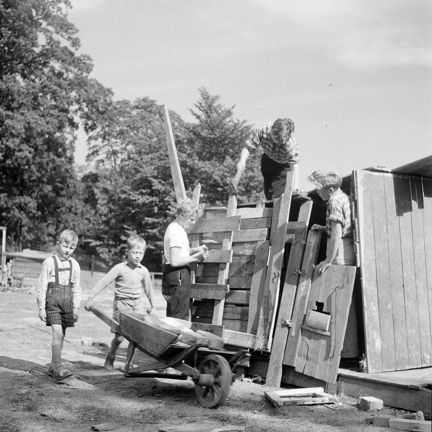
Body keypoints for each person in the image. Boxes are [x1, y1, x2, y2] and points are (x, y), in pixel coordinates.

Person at [85, 235, 154, 371]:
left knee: (135, 338)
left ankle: (128, 365)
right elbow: (104, 282)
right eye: (135, 252)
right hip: (121, 306)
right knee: (120, 338)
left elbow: (148, 289)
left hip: (137, 306)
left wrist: (153, 305)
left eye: (141, 253)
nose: (138, 256)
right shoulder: (119, 268)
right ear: (127, 252)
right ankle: (111, 356)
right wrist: (90, 297)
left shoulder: (143, 271)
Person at [36, 229, 81, 381]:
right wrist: (41, 307)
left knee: (62, 335)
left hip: (67, 304)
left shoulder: (75, 265)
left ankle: (52, 366)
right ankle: (58, 368)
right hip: (53, 304)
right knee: (58, 333)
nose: (68, 250)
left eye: (71, 248)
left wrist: (76, 307)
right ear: (58, 244)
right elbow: (42, 285)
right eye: (65, 246)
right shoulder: (49, 262)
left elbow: (77, 288)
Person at [232, 118, 300, 200]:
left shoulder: (291, 145)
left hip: (282, 167)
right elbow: (248, 147)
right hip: (267, 162)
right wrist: (242, 160)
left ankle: (278, 204)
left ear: (286, 138)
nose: (276, 143)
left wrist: (295, 188)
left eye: (280, 141)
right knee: (269, 195)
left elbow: (294, 166)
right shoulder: (263, 130)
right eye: (275, 139)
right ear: (272, 130)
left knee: (277, 197)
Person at [162, 199, 208, 320]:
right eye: (191, 219)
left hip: (178, 275)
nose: (193, 222)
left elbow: (181, 253)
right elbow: (175, 261)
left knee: (179, 313)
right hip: (178, 275)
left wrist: (196, 249)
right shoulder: (176, 231)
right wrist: (196, 257)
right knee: (178, 316)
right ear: (182, 215)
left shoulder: (177, 229)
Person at [308, 170, 355, 273]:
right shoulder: (345, 197)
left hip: (338, 253)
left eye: (319, 188)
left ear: (330, 190)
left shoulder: (334, 202)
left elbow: (337, 234)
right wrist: (324, 228)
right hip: (348, 251)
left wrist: (328, 260)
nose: (317, 192)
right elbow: (344, 227)